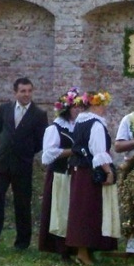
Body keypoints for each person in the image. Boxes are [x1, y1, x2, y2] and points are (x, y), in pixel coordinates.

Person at [0, 77, 48, 251]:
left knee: (23, 203)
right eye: (23, 91)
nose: (26, 94)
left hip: (23, 163)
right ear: (15, 92)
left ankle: (22, 242)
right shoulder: (4, 109)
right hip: (2, 162)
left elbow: (41, 141)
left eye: (29, 91)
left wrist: (24, 151)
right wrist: (6, 147)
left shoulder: (39, 114)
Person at [66, 91, 121, 266]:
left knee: (81, 210)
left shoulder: (80, 123)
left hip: (79, 171)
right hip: (89, 173)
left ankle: (86, 251)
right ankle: (83, 252)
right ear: (96, 105)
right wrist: (109, 171)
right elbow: (98, 151)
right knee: (87, 212)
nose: (104, 109)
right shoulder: (95, 124)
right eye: (102, 105)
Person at [37, 87, 83, 255]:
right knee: (60, 210)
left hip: (77, 175)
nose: (78, 110)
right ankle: (60, 246)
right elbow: (48, 155)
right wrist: (73, 151)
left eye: (80, 107)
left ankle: (77, 245)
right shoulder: (56, 128)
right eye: (75, 106)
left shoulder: (82, 126)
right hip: (60, 175)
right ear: (67, 108)